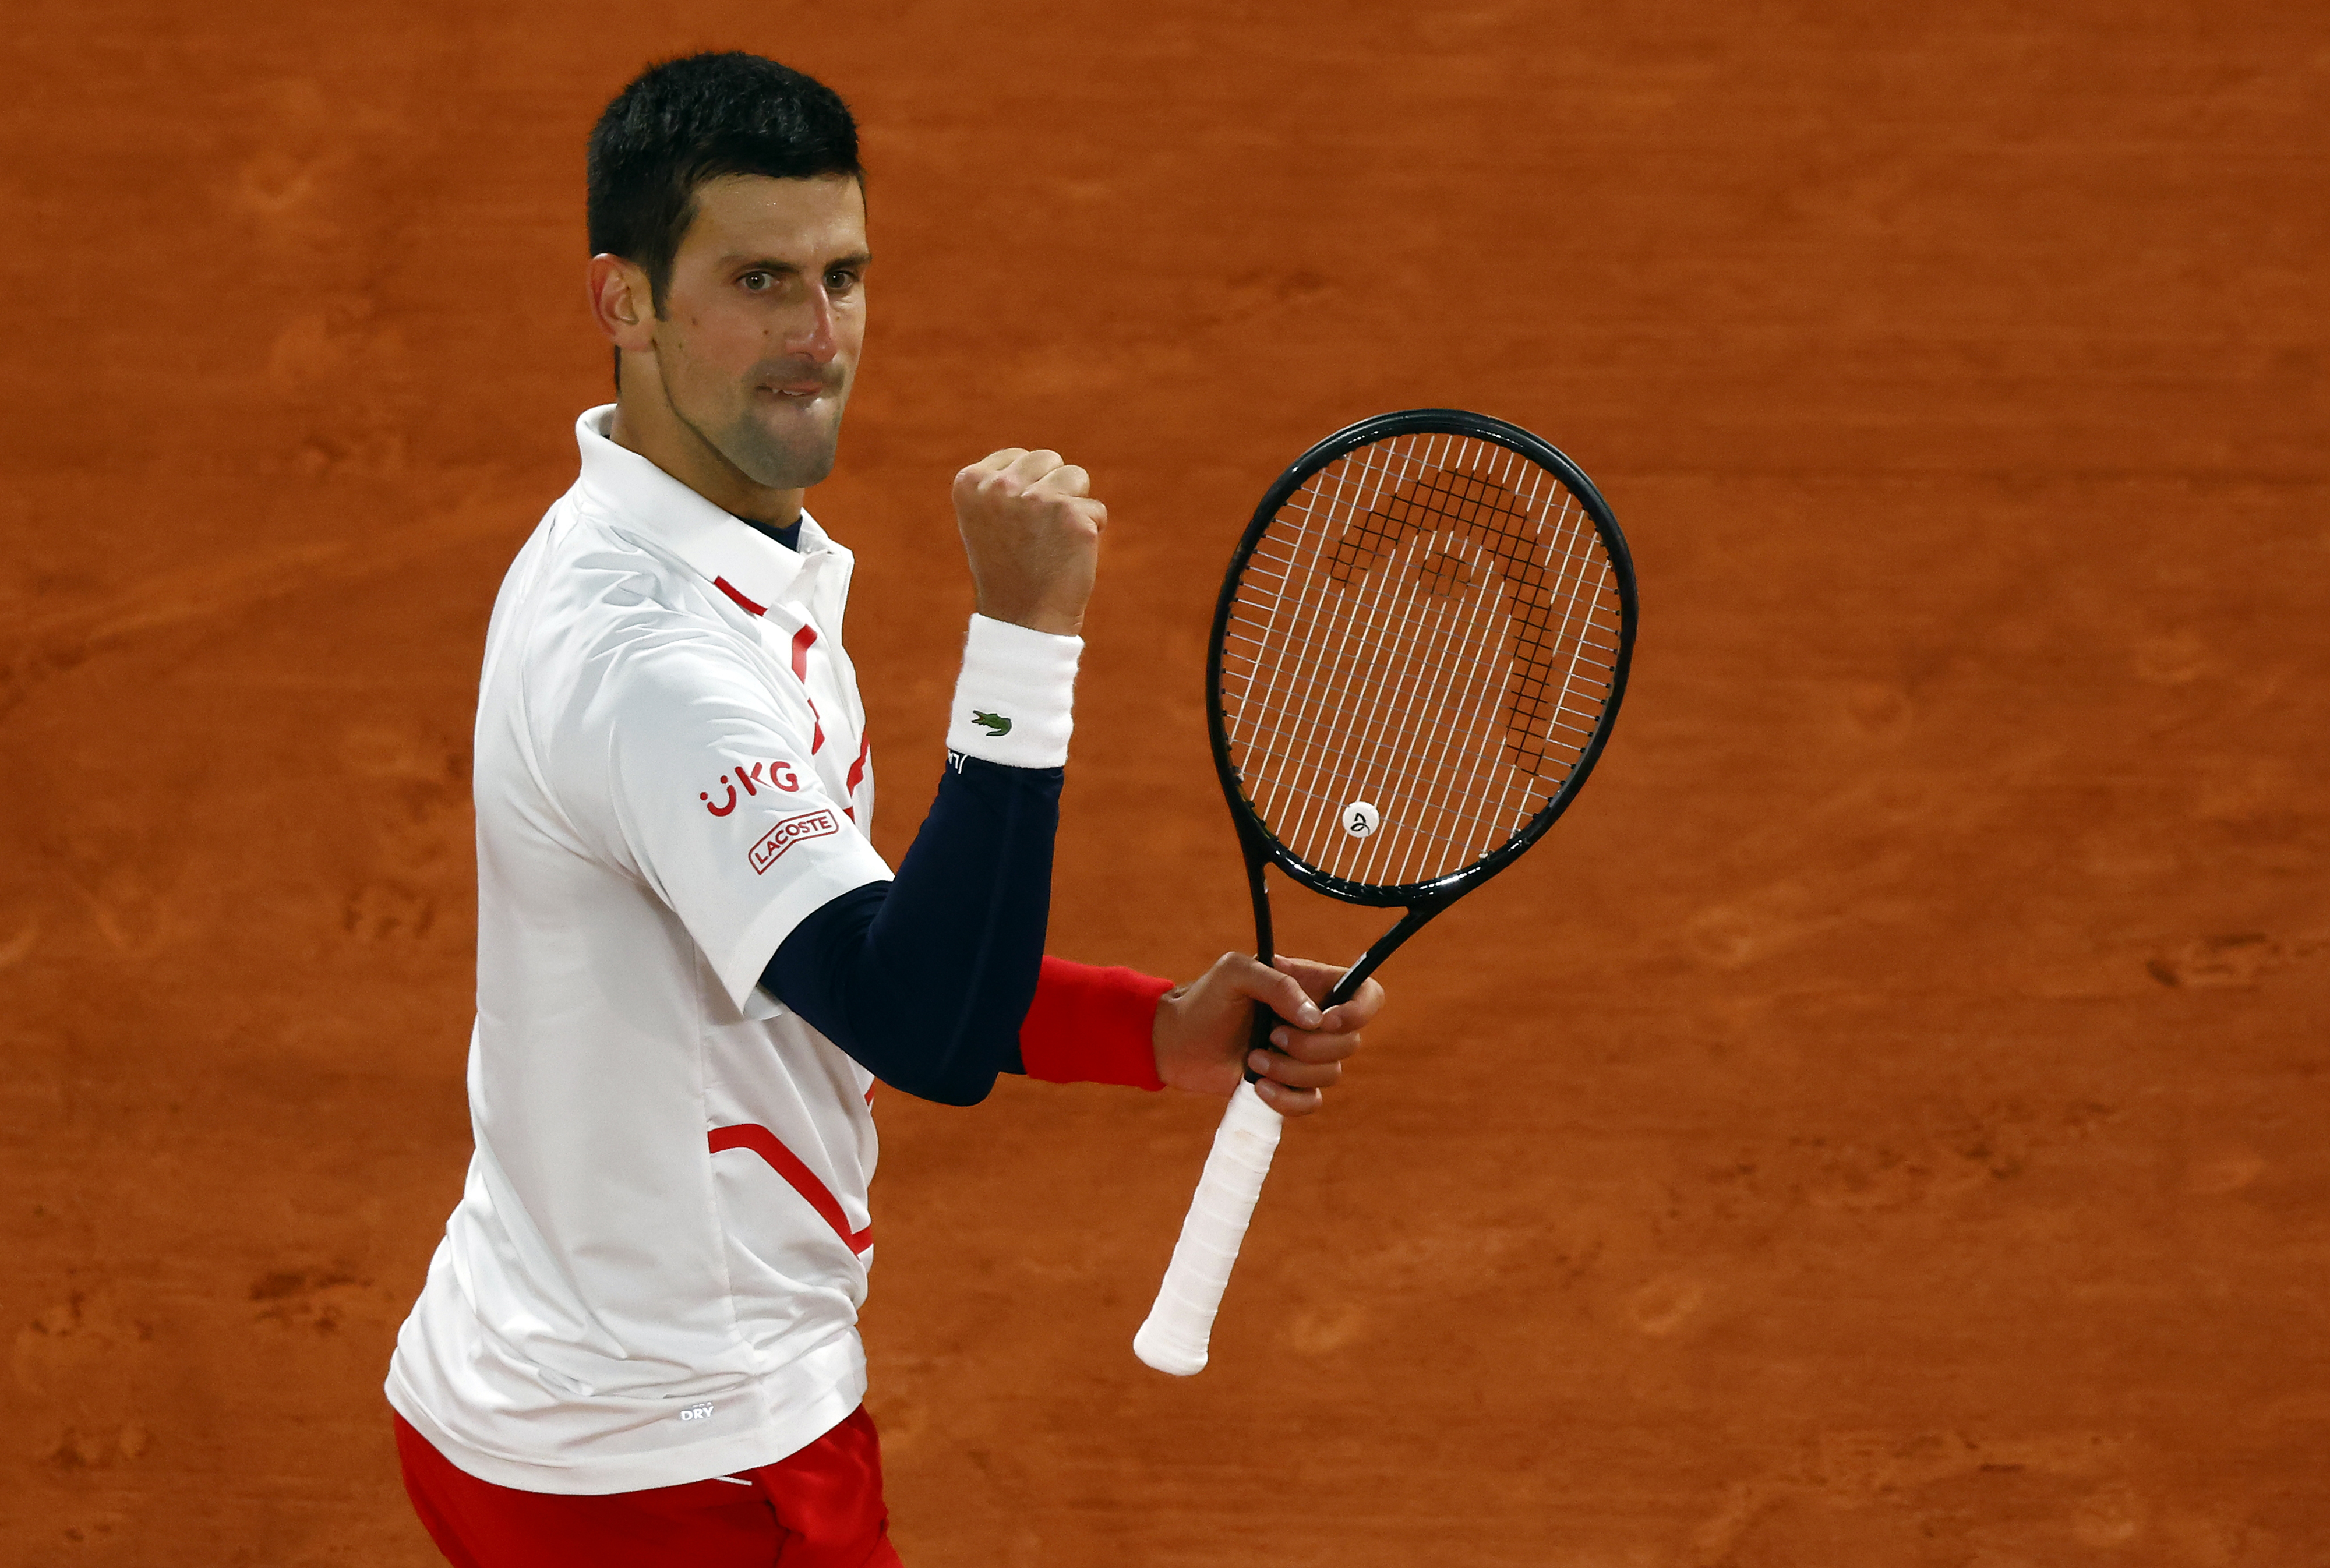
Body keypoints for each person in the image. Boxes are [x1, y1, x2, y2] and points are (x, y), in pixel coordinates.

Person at [383, 51, 1384, 1567]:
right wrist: (1027, 641)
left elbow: (852, 956)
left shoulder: (726, 559)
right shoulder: (650, 666)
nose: (819, 335)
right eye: (761, 281)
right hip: (655, 1465)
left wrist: (1149, 1028)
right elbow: (914, 1020)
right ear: (625, 301)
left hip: (608, 1397)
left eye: (841, 275)